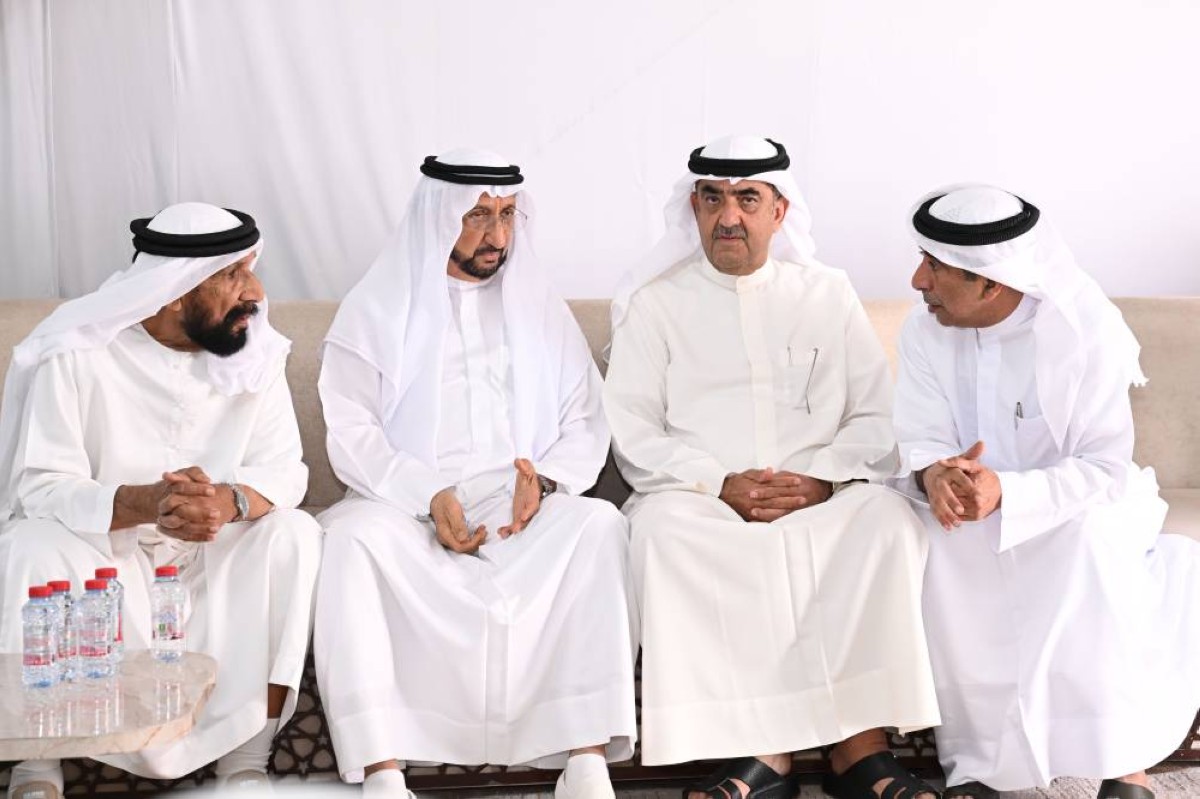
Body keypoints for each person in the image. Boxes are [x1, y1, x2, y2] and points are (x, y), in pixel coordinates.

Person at [603, 135, 941, 799]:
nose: (728, 216)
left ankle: (861, 750)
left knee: (886, 521)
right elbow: (632, 427)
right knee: (663, 534)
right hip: (702, 501)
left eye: (748, 200)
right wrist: (716, 483)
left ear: (780, 211)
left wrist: (823, 478)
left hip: (820, 496)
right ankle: (761, 754)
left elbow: (876, 414)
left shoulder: (827, 293)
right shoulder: (655, 304)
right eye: (712, 199)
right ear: (694, 209)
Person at [314, 149, 637, 799]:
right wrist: (424, 493)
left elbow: (585, 416)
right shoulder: (377, 307)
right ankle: (383, 770)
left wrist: (545, 483)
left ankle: (584, 760)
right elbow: (351, 429)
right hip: (404, 508)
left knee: (599, 524)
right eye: (478, 216)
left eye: (507, 215)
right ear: (438, 218)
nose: (496, 235)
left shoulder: (539, 307)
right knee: (349, 541)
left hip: (519, 510)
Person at [0, 203, 322, 798]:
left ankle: (245, 762)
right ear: (174, 291)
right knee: (31, 543)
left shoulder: (255, 350)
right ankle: (37, 768)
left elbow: (285, 471)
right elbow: (41, 485)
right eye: (232, 275)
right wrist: (145, 503)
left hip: (210, 552)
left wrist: (228, 500)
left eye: (250, 270)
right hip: (106, 552)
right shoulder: (76, 352)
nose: (254, 292)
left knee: (293, 534)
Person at [892, 184, 1200, 799]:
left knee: (1087, 543)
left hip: (1074, 504)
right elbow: (920, 436)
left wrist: (1007, 492)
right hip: (965, 508)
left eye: (935, 267)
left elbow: (1103, 466)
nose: (917, 280)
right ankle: (983, 766)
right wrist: (934, 475)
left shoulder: (1085, 331)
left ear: (992, 282)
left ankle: (1123, 764)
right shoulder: (925, 330)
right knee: (929, 541)